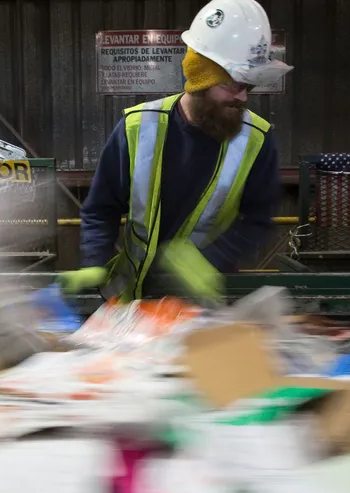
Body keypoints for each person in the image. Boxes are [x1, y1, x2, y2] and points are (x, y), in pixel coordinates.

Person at [60, 0, 292, 302]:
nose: (243, 97)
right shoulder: (137, 127)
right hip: (132, 297)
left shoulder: (256, 140)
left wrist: (213, 260)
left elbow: (258, 217)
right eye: (234, 83)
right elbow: (102, 208)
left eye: (249, 85)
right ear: (200, 77)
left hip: (202, 300)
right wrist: (94, 263)